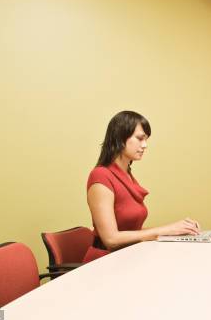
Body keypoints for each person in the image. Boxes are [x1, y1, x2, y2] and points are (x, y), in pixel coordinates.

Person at [82, 111, 201, 263]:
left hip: (126, 257)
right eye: (140, 138)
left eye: (146, 139)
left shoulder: (127, 175)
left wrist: (175, 230)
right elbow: (111, 239)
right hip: (104, 263)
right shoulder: (101, 175)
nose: (145, 145)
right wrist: (165, 231)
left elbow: (131, 231)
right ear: (120, 137)